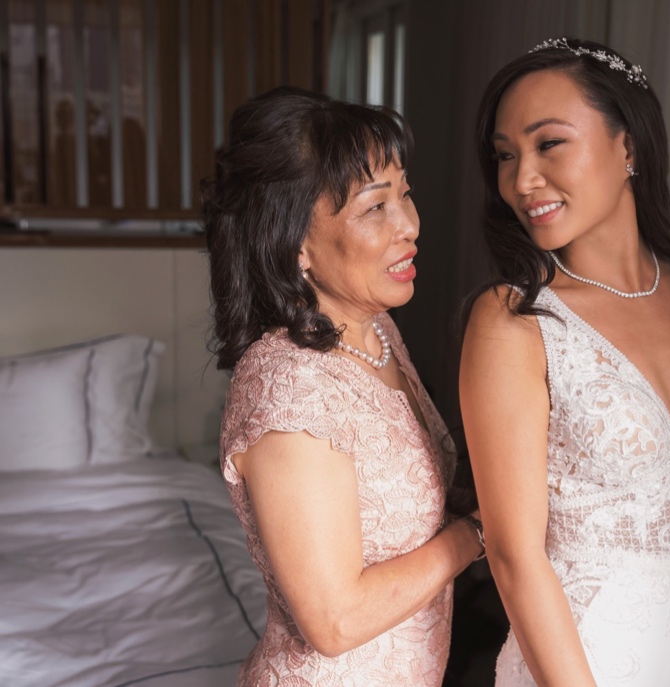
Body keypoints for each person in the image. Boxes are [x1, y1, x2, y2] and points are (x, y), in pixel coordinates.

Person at [458, 38, 670, 687]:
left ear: (629, 145)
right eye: (505, 156)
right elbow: (513, 555)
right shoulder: (513, 321)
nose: (521, 179)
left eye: (548, 144)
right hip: (572, 665)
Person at [205, 87, 483, 685]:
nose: (410, 224)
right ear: (295, 243)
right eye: (373, 208)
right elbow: (333, 621)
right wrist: (477, 535)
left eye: (404, 193)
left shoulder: (373, 330)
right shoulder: (291, 388)